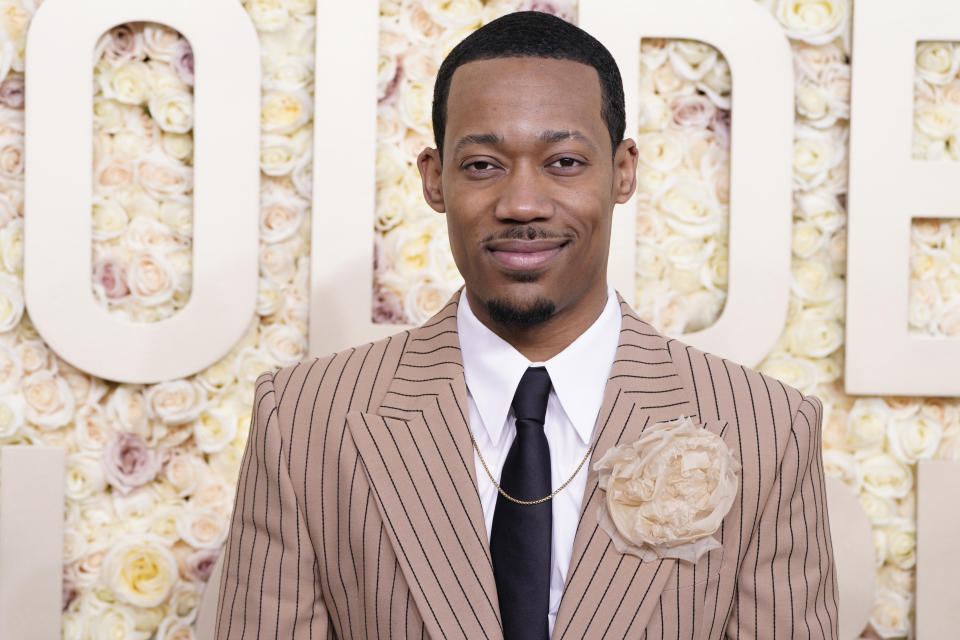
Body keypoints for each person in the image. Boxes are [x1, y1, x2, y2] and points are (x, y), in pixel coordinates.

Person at [214, 11, 838, 639]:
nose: (521, 205)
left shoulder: (766, 429)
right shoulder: (303, 420)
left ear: (623, 171)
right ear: (434, 179)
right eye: (483, 164)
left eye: (564, 162)